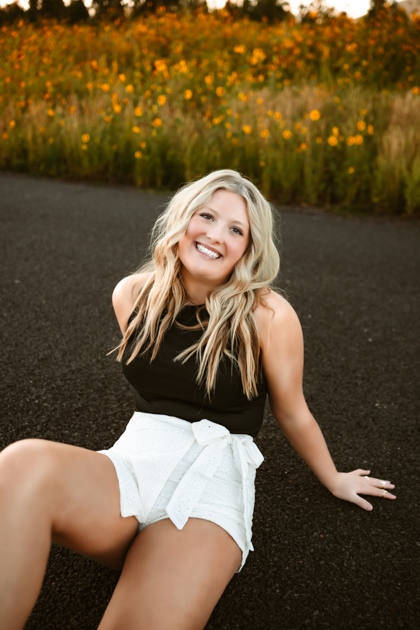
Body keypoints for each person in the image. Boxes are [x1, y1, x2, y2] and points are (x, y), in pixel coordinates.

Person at [0, 169, 396, 630]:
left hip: (211, 494)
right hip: (132, 469)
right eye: (206, 216)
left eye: (236, 229)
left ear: (248, 247)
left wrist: (334, 478)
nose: (215, 235)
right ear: (182, 219)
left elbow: (292, 410)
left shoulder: (269, 315)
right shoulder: (133, 294)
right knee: (22, 462)